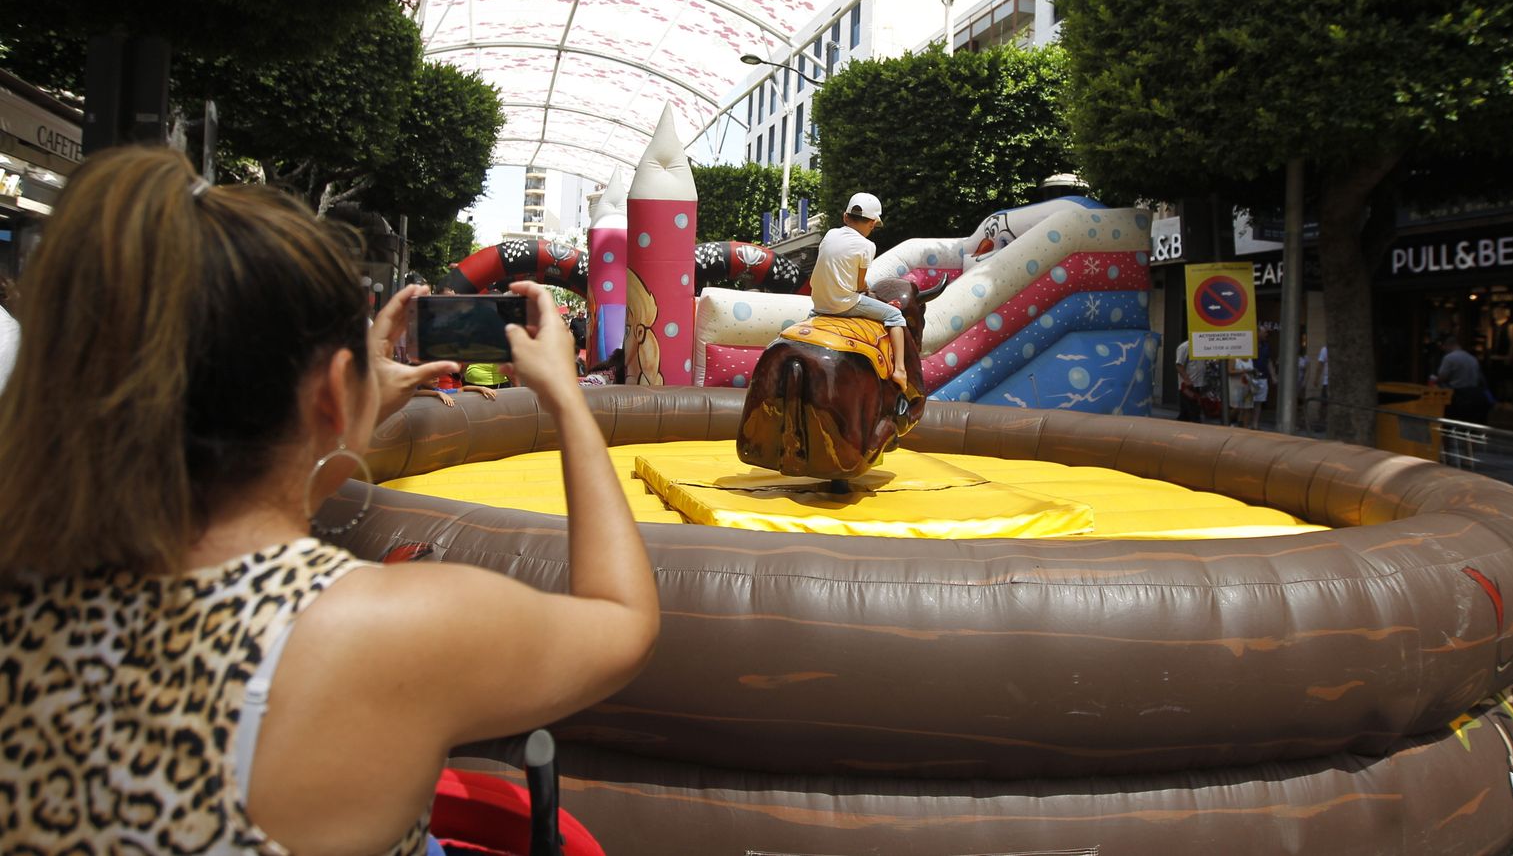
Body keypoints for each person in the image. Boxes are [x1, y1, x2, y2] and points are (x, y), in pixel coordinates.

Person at [0, 147, 659, 854]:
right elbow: (622, 622)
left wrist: (348, 404)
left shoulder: (27, 580)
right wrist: (564, 398)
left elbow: (257, 508)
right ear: (328, 393)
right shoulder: (375, 631)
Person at [808, 192, 908, 392]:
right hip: (843, 304)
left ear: (845, 217)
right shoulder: (867, 246)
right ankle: (900, 370)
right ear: (872, 223)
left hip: (818, 303)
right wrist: (866, 289)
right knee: (895, 316)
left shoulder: (830, 234)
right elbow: (859, 284)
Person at [1431, 332, 1490, 424]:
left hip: (1458, 396)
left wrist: (1434, 379)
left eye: (1443, 347)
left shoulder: (1449, 358)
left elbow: (1442, 378)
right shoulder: (1472, 358)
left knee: (1455, 423)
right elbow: (1479, 378)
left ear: (1448, 345)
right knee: (1470, 424)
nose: (1443, 349)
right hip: (1475, 396)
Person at [1174, 338, 1209, 422]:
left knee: (1187, 412)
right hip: (1188, 385)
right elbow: (1179, 365)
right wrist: (1187, 381)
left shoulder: (1202, 346)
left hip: (1200, 384)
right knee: (1193, 411)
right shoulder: (1184, 347)